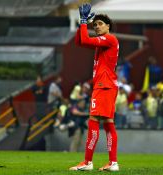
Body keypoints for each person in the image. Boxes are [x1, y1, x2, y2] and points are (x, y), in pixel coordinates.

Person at [69, 3, 119, 171]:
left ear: (108, 26)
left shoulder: (110, 39)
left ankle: (88, 162)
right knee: (108, 123)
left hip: (104, 86)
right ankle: (113, 163)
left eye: (100, 24)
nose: (96, 27)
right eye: (95, 24)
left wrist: (84, 21)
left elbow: (84, 40)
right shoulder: (103, 42)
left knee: (93, 121)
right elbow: (79, 41)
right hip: (107, 85)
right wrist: (81, 23)